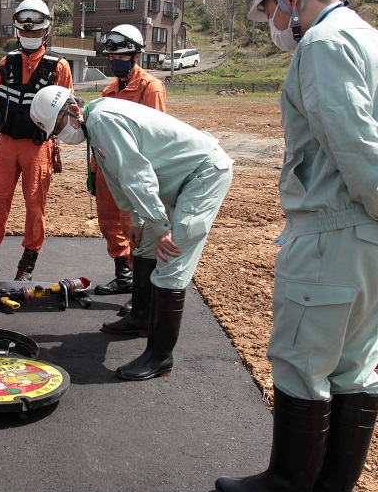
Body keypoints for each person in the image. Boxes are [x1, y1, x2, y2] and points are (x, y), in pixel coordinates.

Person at [212, 0, 378, 492]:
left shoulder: (320, 45)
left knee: (300, 359)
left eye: (269, 10)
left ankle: (289, 486)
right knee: (353, 364)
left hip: (337, 228)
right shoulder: (370, 38)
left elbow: (353, 140)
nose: (272, 24)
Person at [30, 87, 233, 381]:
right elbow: (117, 178)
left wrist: (162, 226)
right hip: (177, 181)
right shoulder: (95, 120)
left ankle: (160, 356)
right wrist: (140, 220)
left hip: (202, 176)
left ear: (73, 110)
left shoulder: (102, 121)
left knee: (171, 257)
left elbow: (136, 174)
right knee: (146, 246)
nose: (62, 135)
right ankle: (141, 318)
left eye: (59, 127)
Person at [0, 0, 74, 283]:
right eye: (24, 31)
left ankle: (26, 266)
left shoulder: (59, 66)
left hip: (38, 145)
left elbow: (67, 107)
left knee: (34, 205)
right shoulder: (6, 62)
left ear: (46, 31)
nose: (29, 36)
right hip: (5, 141)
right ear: (17, 31)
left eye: (35, 31)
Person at [91, 25, 168, 311]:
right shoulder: (109, 90)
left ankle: (142, 289)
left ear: (136, 55)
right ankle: (123, 275)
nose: (115, 61)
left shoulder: (150, 87)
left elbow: (155, 133)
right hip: (106, 169)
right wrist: (93, 170)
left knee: (136, 228)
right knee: (109, 223)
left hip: (133, 171)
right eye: (111, 57)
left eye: (121, 56)